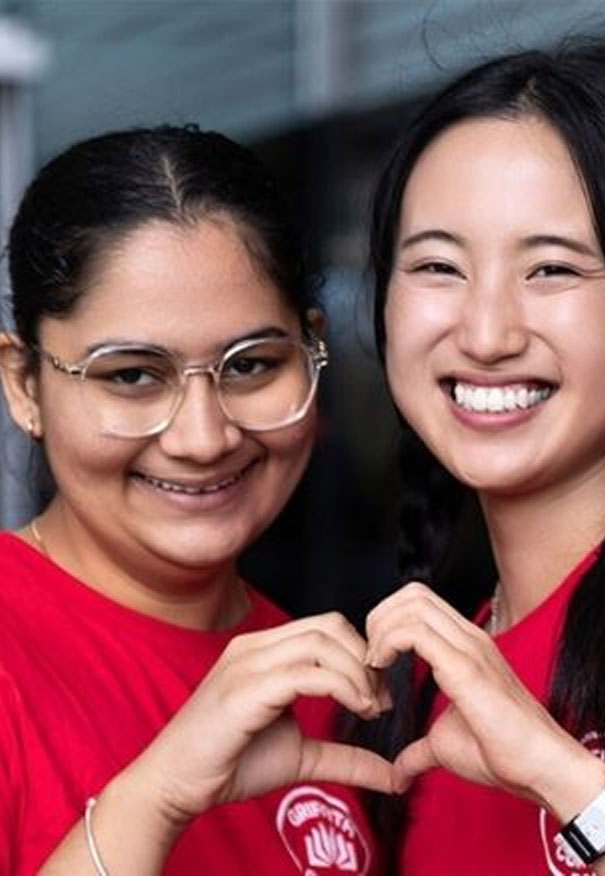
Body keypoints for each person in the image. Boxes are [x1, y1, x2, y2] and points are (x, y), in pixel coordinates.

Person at [0, 125, 390, 875]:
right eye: (133, 375)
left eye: (251, 365)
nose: (204, 437)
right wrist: (156, 798)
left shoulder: (326, 678)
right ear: (25, 384)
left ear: (311, 349)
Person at [364, 44, 605, 874]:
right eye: (436, 267)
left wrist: (567, 781)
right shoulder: (424, 683)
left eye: (551, 269)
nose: (487, 334)